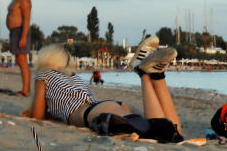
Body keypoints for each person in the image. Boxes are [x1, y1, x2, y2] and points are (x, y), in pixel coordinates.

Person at [22, 38, 183, 142]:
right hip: (104, 106)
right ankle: (156, 76)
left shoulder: (43, 74)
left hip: (93, 111)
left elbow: (38, 115)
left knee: (163, 133)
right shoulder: (71, 75)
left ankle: (143, 73)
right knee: (173, 134)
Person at [5, 0, 33, 96]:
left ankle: (26, 90)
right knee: (20, 60)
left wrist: (23, 37)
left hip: (20, 31)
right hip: (14, 32)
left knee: (22, 61)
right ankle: (25, 89)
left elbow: (27, 19)